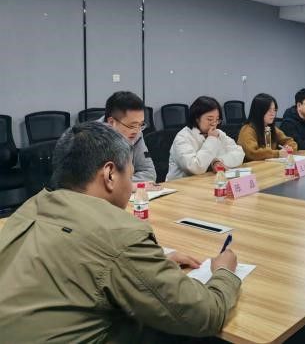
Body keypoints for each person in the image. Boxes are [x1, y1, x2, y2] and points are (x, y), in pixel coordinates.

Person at [0, 122, 241, 342]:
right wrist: (224, 271)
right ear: (110, 175)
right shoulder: (119, 233)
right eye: (131, 174)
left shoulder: (28, 210)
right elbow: (206, 314)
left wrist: (146, 267)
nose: (131, 184)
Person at [167, 96, 245, 181]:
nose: (214, 124)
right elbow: (195, 168)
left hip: (208, 181)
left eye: (217, 119)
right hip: (181, 185)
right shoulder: (183, 137)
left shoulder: (218, 133)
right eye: (210, 119)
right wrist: (211, 140)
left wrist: (217, 161)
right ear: (197, 118)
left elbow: (240, 153)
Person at [99, 90, 156, 182]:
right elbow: (97, 182)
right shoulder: (90, 139)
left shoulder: (136, 135)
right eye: (132, 126)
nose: (137, 131)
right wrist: (129, 184)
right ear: (111, 122)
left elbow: (149, 173)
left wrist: (123, 183)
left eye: (140, 124)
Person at [237, 93, 297, 161]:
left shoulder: (270, 128)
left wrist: (289, 148)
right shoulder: (247, 130)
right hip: (254, 166)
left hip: (270, 164)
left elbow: (290, 142)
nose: (273, 114)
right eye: (269, 110)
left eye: (274, 110)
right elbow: (252, 153)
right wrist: (277, 153)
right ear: (258, 111)